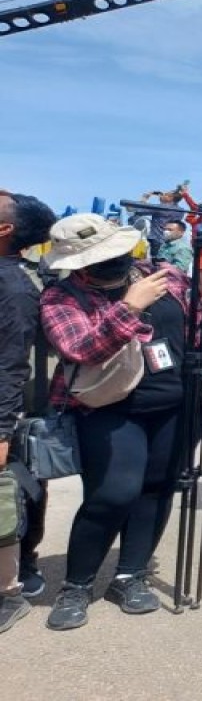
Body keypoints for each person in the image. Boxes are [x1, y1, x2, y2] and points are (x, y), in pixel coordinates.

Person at [37, 213, 202, 630]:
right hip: (108, 408)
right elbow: (80, 349)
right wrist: (130, 306)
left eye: (116, 252)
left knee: (158, 489)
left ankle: (130, 575)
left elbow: (201, 330)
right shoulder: (61, 297)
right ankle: (76, 585)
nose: (112, 262)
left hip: (180, 404)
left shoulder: (166, 276)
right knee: (113, 494)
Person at [0, 190, 56, 633]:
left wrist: (2, 430)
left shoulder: (15, 286)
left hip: (13, 411)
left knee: (18, 488)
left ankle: (21, 572)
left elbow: (11, 362)